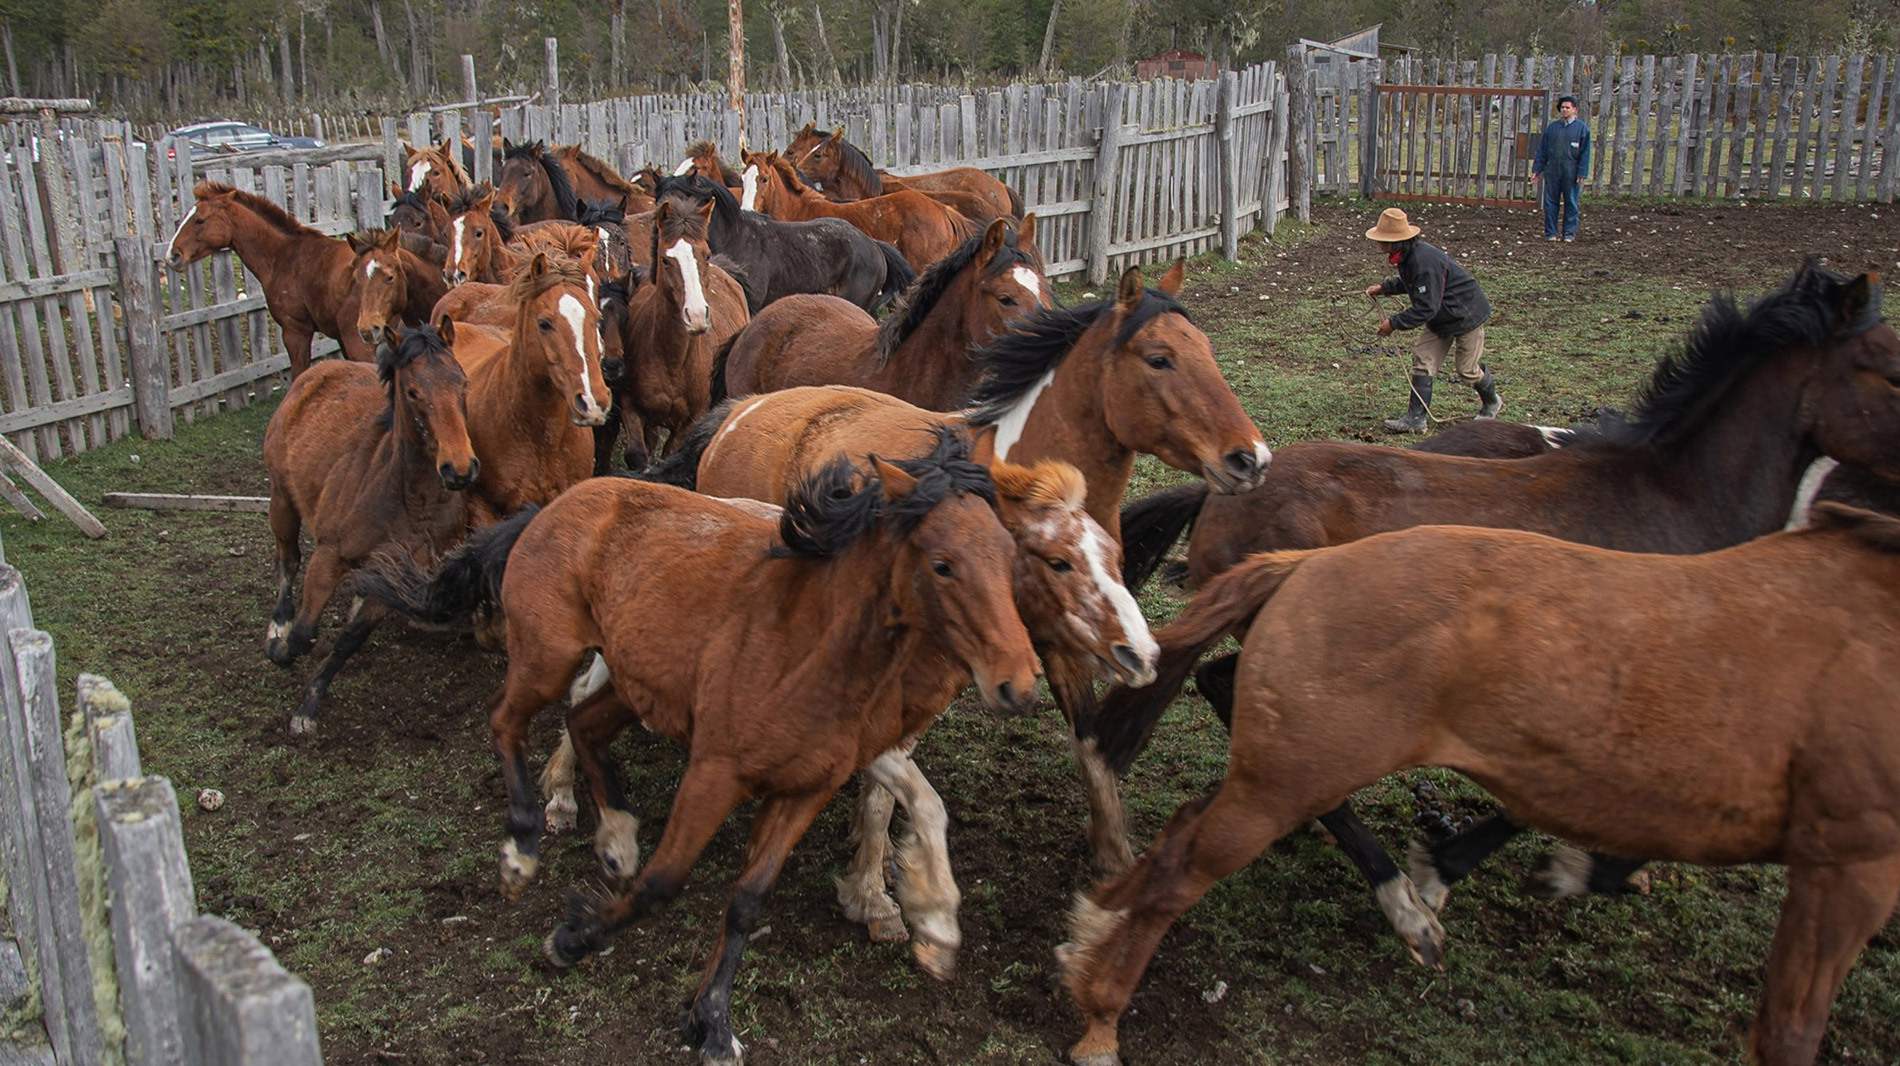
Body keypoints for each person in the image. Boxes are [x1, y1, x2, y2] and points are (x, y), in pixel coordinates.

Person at [1361, 207, 1500, 433]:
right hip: (1441, 317)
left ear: (1396, 241)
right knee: (1423, 359)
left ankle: (1492, 402)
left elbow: (1426, 307)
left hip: (1466, 314)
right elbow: (1411, 284)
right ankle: (1415, 419)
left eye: (1383, 240)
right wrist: (1384, 288)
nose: (1379, 245)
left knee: (1466, 370)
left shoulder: (1423, 261)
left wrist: (1393, 323)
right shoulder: (1407, 257)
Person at [1533, 94, 1590, 242]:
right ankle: (1551, 233)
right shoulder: (1552, 128)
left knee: (1570, 201)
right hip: (1552, 170)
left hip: (1571, 171)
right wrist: (1536, 169)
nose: (1564, 110)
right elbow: (1542, 151)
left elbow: (1585, 153)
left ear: (1574, 109)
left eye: (1567, 108)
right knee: (1550, 202)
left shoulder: (1581, 129)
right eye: (1562, 108)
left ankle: (1568, 234)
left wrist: (1582, 172)